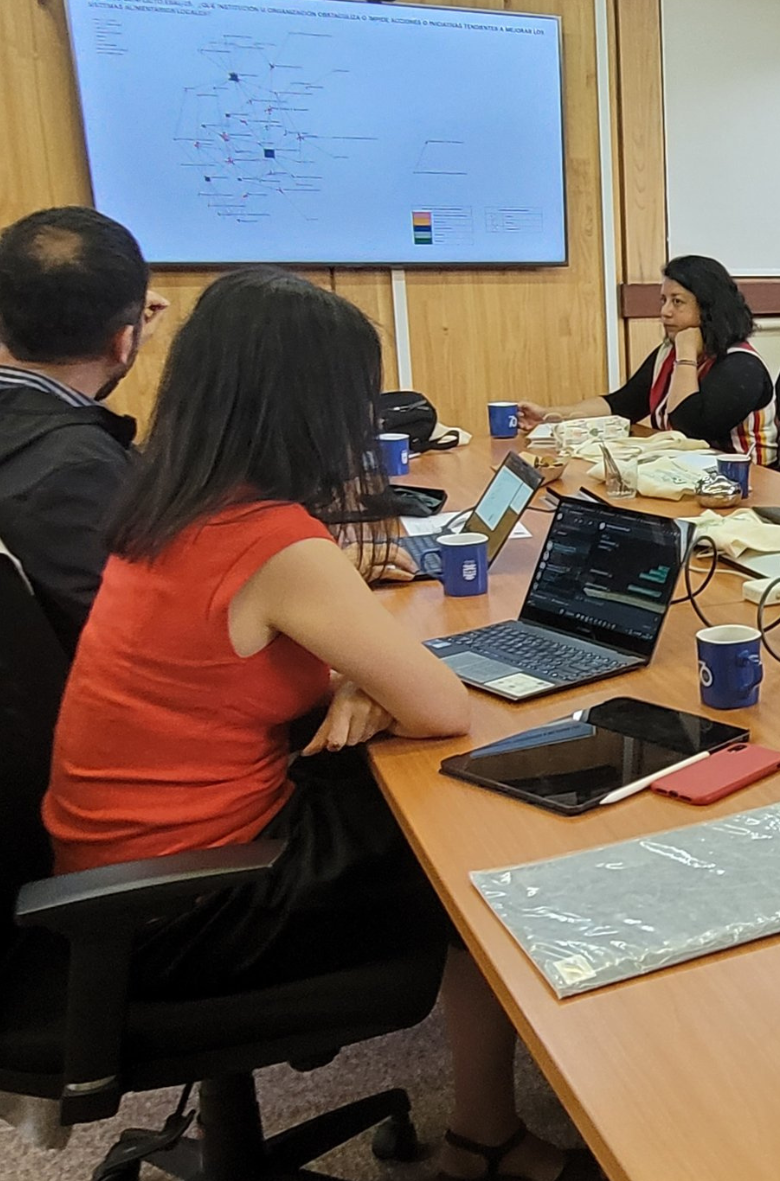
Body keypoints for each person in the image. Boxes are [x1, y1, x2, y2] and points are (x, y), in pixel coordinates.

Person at [45, 268, 599, 1181]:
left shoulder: (172, 503)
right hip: (186, 900)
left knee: (427, 796)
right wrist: (369, 679)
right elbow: (441, 705)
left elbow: (258, 658)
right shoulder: (273, 541)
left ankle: (489, 1128)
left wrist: (352, 678)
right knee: (482, 840)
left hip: (124, 865)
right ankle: (487, 1141)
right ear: (313, 405)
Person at [0, 207, 169, 653]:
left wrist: (115, 354)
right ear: (122, 341)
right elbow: (153, 640)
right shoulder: (80, 468)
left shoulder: (39, 438)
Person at [517, 255, 775, 462]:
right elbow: (621, 405)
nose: (665, 313)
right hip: (686, 470)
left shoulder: (741, 366)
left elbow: (689, 428)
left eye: (677, 302)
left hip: (745, 484)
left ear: (709, 309)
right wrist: (550, 414)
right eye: (663, 300)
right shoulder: (667, 354)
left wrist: (685, 355)